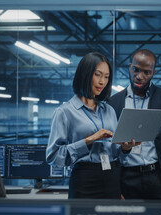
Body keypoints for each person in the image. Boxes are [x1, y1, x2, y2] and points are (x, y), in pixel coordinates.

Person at [46, 52, 140, 199]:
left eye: (107, 77)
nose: (102, 82)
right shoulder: (65, 112)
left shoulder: (108, 110)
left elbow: (116, 153)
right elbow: (53, 156)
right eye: (98, 75)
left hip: (111, 177)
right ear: (85, 74)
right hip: (85, 180)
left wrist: (125, 148)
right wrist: (88, 141)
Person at [109, 49, 161, 200]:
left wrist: (152, 128)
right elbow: (108, 147)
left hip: (158, 177)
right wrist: (114, 188)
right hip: (126, 179)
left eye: (146, 72)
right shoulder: (114, 102)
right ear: (129, 67)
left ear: (153, 73)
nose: (139, 76)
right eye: (135, 70)